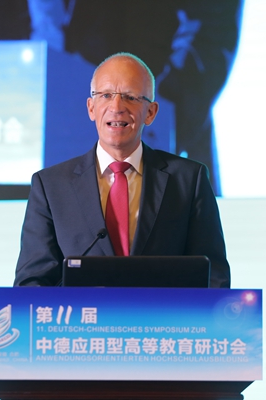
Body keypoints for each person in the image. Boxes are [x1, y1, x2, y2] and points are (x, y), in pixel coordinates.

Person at [13, 52, 230, 288]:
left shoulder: (188, 180)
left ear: (151, 112)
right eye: (106, 95)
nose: (116, 107)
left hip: (161, 313)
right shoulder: (51, 186)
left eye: (130, 97)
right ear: (91, 108)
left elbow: (213, 277)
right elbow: (32, 283)